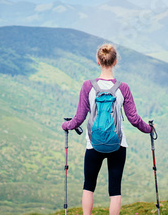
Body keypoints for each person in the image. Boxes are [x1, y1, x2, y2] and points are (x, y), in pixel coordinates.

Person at [62, 43, 152, 215]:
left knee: (89, 185)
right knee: (115, 189)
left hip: (93, 144)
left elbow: (79, 118)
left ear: (98, 60)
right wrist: (149, 129)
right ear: (115, 61)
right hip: (117, 144)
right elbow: (133, 119)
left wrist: (66, 125)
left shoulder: (88, 86)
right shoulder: (123, 88)